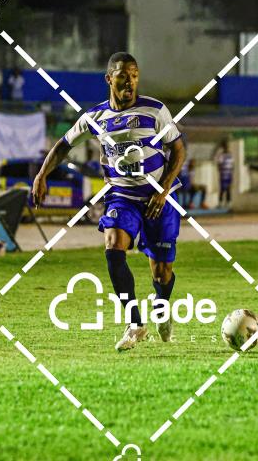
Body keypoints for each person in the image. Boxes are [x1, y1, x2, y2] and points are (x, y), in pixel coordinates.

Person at [32, 52, 185, 352]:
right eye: (123, 76)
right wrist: (41, 174)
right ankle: (135, 324)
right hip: (121, 196)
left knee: (161, 272)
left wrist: (163, 189)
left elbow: (178, 150)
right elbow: (63, 145)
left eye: (135, 75)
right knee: (113, 247)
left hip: (158, 197)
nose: (130, 81)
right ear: (109, 79)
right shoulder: (95, 118)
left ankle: (162, 306)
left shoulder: (155, 111)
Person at [215, 141, 234, 207]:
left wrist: (231, 172)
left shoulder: (230, 155)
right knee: (222, 189)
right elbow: (219, 164)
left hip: (229, 174)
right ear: (223, 147)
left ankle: (228, 202)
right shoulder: (221, 155)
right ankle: (220, 202)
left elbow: (232, 165)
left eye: (227, 147)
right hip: (223, 174)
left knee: (228, 188)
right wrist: (221, 172)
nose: (227, 148)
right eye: (225, 147)